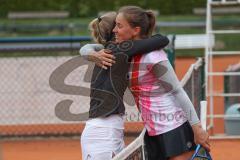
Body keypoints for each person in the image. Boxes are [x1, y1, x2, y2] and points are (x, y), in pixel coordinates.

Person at [83, 6, 210, 160]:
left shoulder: (152, 54)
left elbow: (177, 91)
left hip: (173, 127)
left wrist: (197, 128)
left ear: (135, 30)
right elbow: (90, 48)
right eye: (115, 25)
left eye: (120, 25)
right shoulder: (125, 55)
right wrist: (90, 52)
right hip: (152, 131)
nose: (116, 29)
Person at [79, 11, 169, 160]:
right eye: (119, 25)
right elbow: (162, 39)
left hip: (106, 130)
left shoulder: (110, 49)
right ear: (114, 30)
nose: (119, 28)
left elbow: (88, 46)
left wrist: (88, 51)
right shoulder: (121, 49)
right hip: (103, 133)